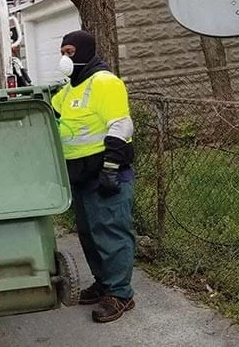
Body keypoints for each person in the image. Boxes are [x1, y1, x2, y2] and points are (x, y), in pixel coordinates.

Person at [51, 30, 136, 323]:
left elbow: (121, 126)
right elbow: (52, 113)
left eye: (70, 52)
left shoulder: (104, 82)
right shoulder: (70, 88)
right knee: (90, 235)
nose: (65, 58)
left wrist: (111, 167)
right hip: (81, 176)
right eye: (62, 52)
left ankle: (121, 294)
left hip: (105, 174)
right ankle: (104, 284)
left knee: (112, 234)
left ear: (86, 51)